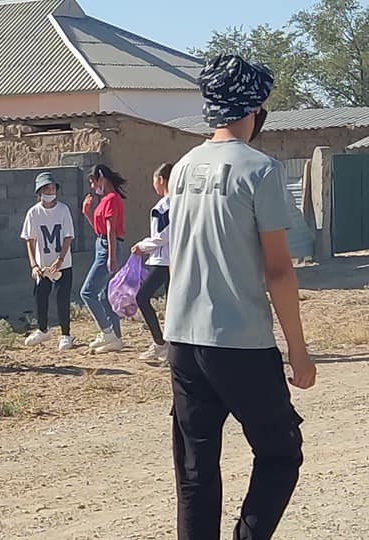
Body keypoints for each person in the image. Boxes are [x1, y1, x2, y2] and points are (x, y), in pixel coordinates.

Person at [165, 54, 317, 540]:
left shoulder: (183, 168)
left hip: (183, 338)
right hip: (240, 339)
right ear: (254, 108)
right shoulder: (260, 170)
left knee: (195, 470)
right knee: (280, 452)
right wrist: (297, 349)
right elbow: (278, 270)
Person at [20, 172, 76, 351]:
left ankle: (66, 334)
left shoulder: (63, 210)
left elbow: (68, 236)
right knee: (40, 296)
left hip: (62, 265)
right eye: (46, 188)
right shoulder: (33, 213)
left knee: (62, 299)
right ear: (39, 191)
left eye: (52, 188)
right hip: (43, 266)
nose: (50, 191)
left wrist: (61, 259)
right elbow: (30, 239)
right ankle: (42, 329)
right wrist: (34, 265)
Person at [79, 164, 128, 353]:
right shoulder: (106, 199)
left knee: (88, 292)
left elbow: (111, 230)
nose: (92, 187)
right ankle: (115, 337)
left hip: (108, 248)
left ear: (101, 178)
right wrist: (88, 214)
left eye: (93, 182)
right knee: (104, 295)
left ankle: (107, 332)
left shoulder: (111, 199)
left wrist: (111, 257)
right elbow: (100, 231)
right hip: (103, 245)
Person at [131, 162, 173, 362]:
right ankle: (170, 345)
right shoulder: (181, 203)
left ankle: (160, 343)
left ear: (161, 180)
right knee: (172, 303)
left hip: (163, 260)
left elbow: (163, 235)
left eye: (154, 181)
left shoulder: (164, 206)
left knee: (142, 297)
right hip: (174, 259)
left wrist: (143, 246)